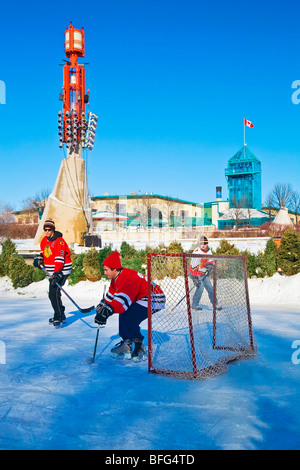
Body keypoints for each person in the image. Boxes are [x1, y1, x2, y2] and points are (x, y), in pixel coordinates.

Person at [94, 251, 165, 362]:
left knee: (130, 318)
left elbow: (121, 302)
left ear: (115, 269)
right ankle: (127, 343)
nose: (105, 273)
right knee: (124, 315)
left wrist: (106, 312)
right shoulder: (117, 277)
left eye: (106, 270)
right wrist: (103, 305)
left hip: (154, 298)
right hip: (141, 297)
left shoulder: (126, 278)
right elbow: (112, 293)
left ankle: (139, 344)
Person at [33, 219, 72, 327]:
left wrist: (57, 273)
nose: (47, 232)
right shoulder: (44, 241)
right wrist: (39, 257)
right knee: (54, 293)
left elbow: (59, 259)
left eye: (49, 230)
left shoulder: (60, 241)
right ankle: (61, 313)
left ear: (53, 230)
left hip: (62, 270)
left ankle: (58, 316)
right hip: (52, 271)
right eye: (45, 230)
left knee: (53, 293)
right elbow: (46, 253)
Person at [189, 236, 221, 311]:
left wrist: (210, 265)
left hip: (203, 274)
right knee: (200, 287)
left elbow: (211, 261)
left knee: (210, 287)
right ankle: (195, 304)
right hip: (195, 273)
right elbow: (193, 265)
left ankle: (215, 303)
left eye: (205, 243)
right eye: (201, 243)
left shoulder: (209, 251)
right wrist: (194, 278)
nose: (203, 245)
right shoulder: (196, 251)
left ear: (207, 244)